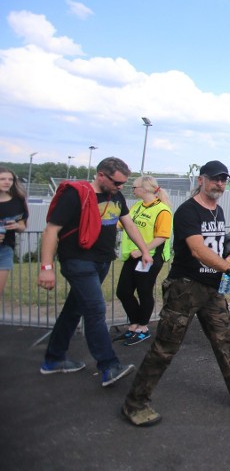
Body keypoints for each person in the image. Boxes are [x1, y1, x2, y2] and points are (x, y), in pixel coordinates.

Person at [123, 161, 230, 426]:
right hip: (185, 288)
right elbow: (196, 250)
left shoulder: (218, 210)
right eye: (215, 179)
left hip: (213, 288)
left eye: (224, 180)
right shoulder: (187, 212)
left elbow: (214, 246)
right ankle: (135, 404)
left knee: (225, 341)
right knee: (164, 348)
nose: (220, 184)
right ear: (201, 180)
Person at [38, 157, 148, 387]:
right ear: (101, 175)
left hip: (101, 262)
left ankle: (53, 359)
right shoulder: (75, 195)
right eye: (117, 183)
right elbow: (51, 231)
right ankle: (108, 366)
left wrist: (144, 250)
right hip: (78, 262)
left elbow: (129, 224)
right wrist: (46, 267)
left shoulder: (115, 196)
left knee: (74, 309)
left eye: (123, 184)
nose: (120, 188)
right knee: (96, 310)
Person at [116, 175, 173, 346]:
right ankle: (134, 324)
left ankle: (143, 327)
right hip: (132, 255)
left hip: (150, 257)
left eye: (134, 187)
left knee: (143, 290)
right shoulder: (137, 206)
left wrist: (143, 250)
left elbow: (162, 236)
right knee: (123, 291)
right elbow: (122, 224)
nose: (132, 190)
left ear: (145, 188)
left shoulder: (162, 210)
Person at [0, 166, 29, 295]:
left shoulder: (19, 201)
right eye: (2, 179)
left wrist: (17, 226)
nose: (7, 182)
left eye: (10, 179)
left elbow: (23, 226)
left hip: (5, 249)